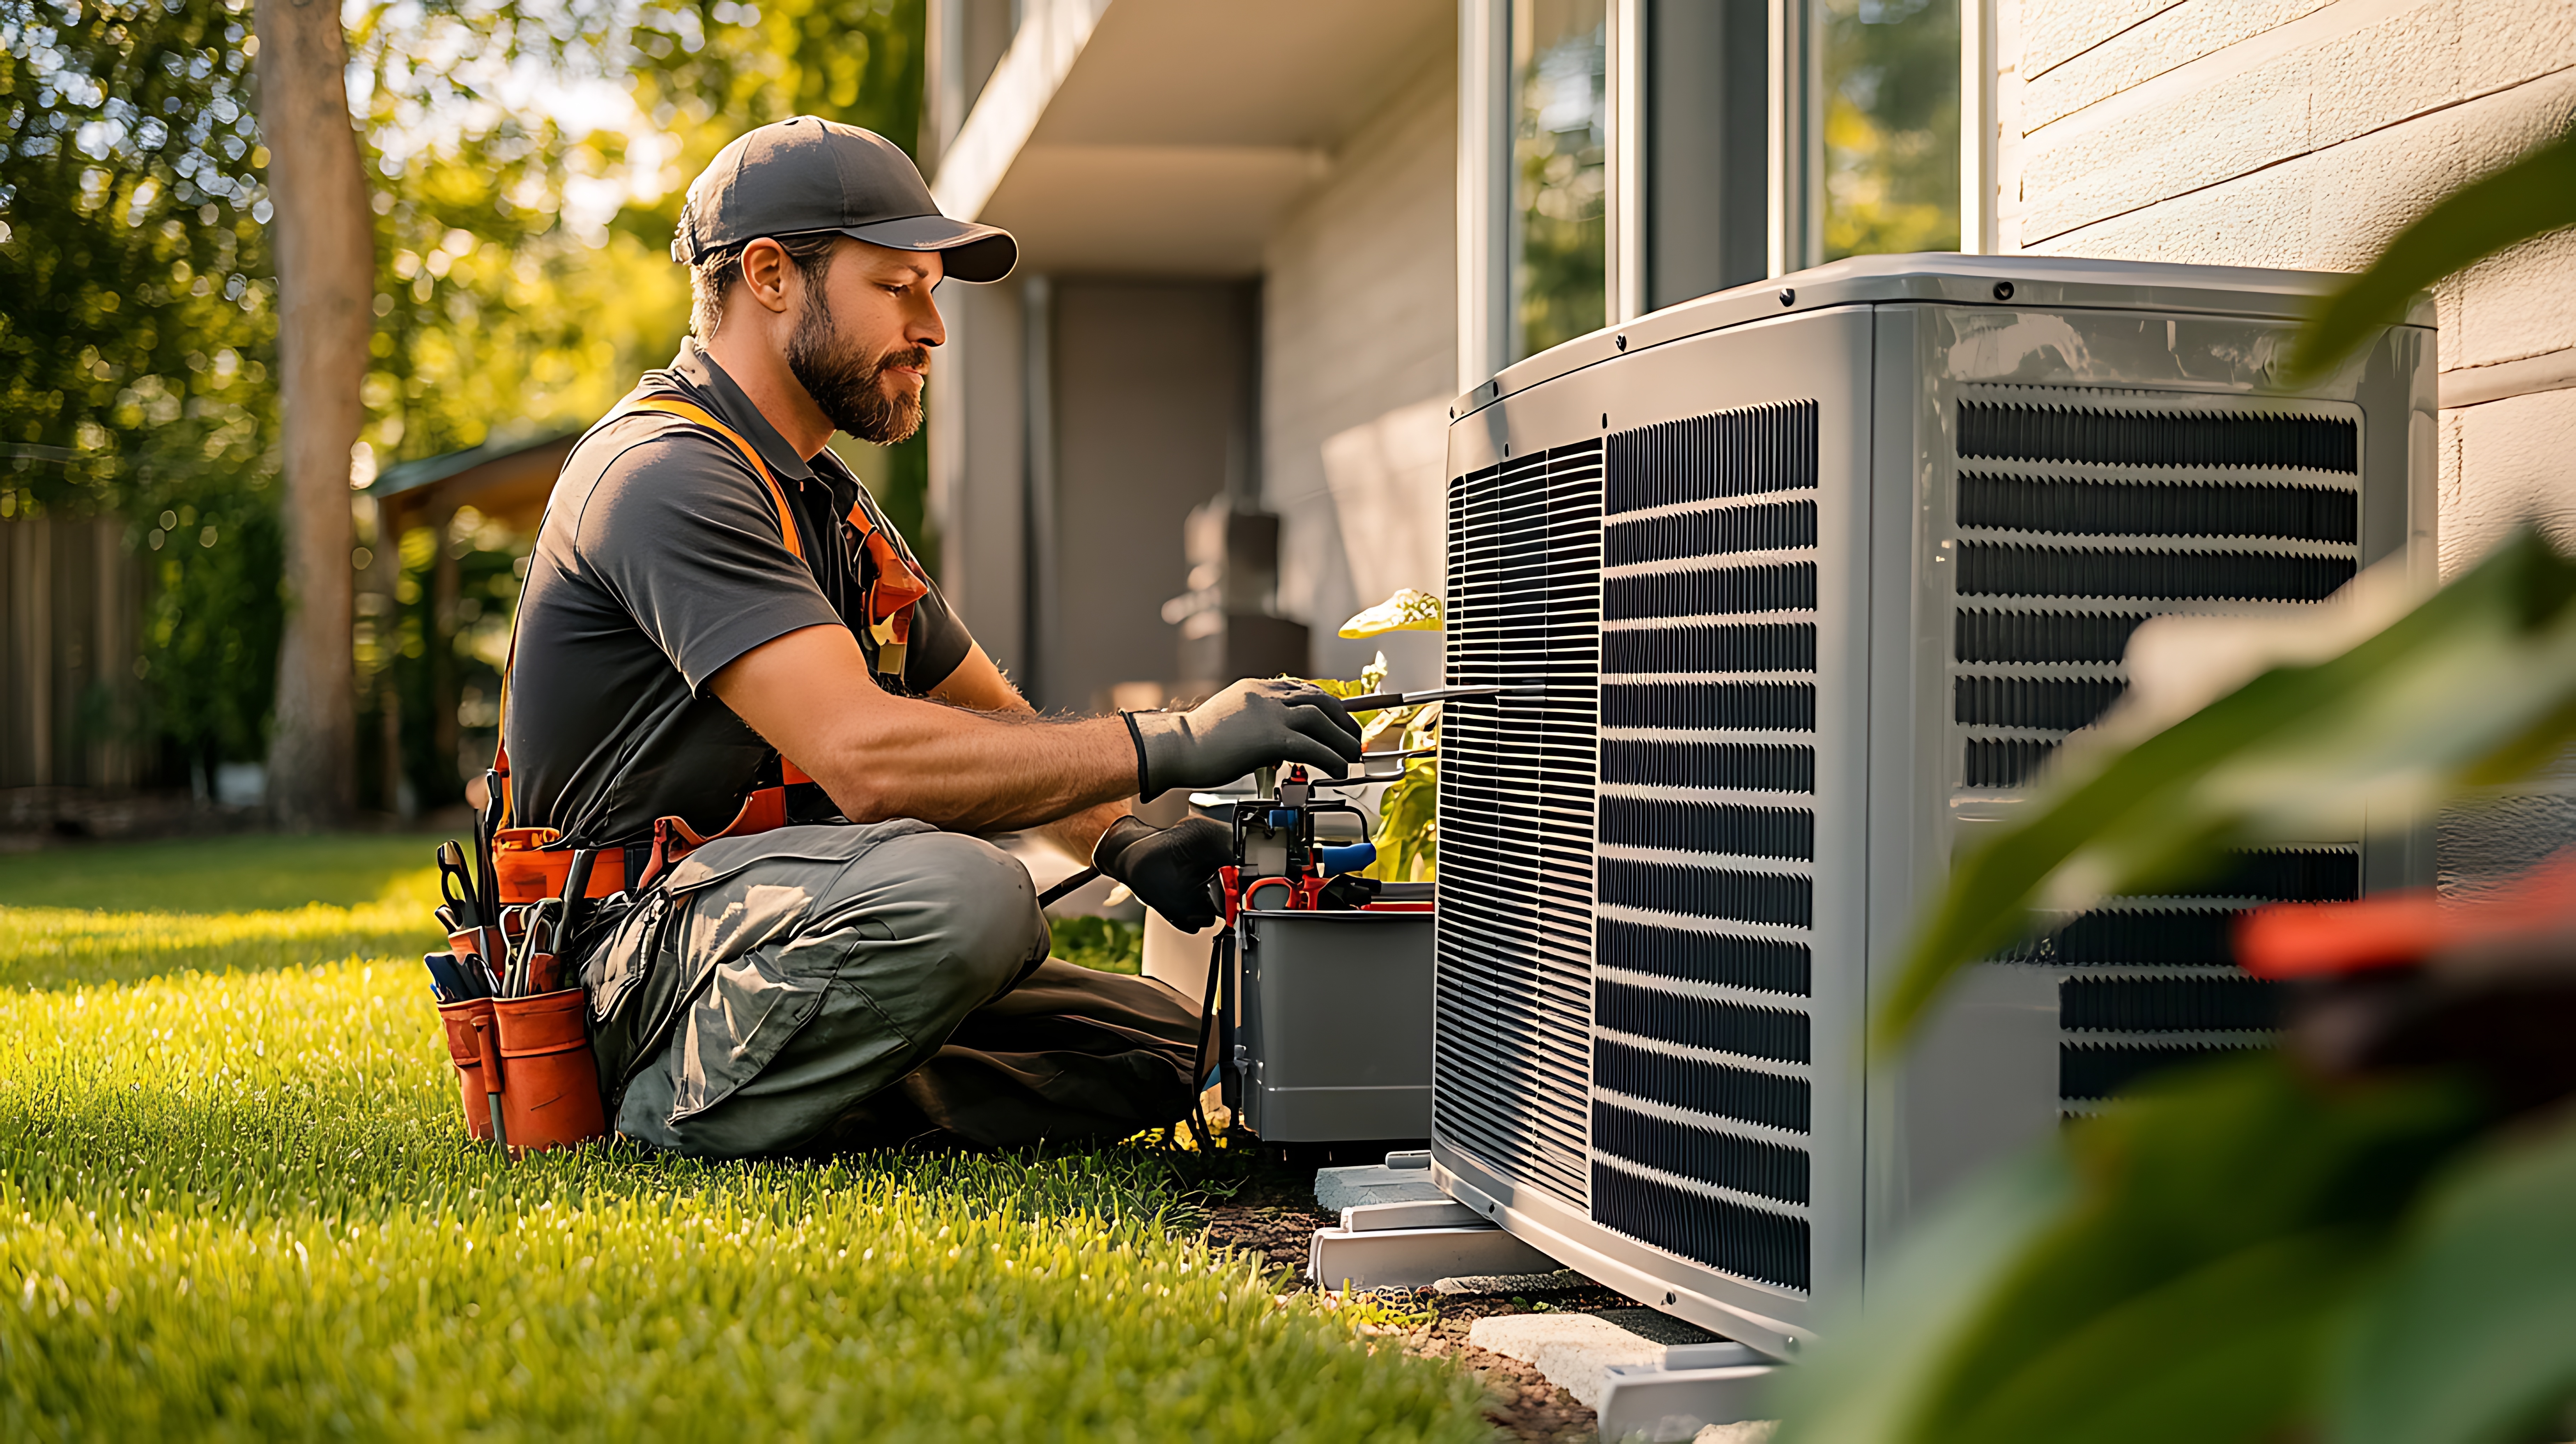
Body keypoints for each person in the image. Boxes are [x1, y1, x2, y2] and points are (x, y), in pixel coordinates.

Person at [502, 117, 1363, 1157]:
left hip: (778, 934)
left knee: (1180, 1051)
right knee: (969, 897)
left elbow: (985, 721)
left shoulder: (826, 501)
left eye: (933, 292)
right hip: (619, 965)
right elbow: (866, 755)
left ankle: (830, 1098)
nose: (933, 328)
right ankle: (656, 1118)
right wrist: (1176, 737)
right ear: (771, 276)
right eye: (898, 285)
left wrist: (1130, 842)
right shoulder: (664, 475)